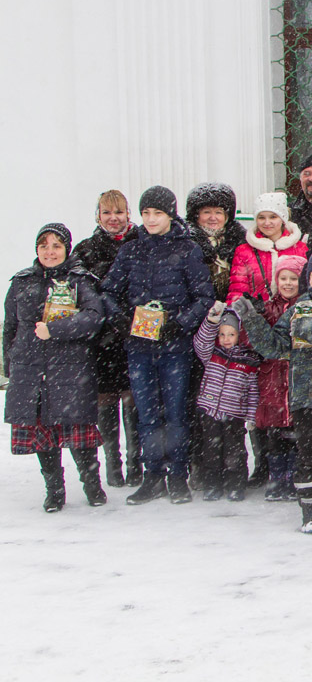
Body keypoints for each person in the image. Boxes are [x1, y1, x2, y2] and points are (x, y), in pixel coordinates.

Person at [101, 186, 215, 505]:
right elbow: (108, 291)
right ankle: (153, 475)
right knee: (147, 414)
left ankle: (178, 476)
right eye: (146, 213)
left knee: (176, 412)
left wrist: (177, 324)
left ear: (170, 215)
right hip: (139, 346)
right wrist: (122, 321)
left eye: (158, 214)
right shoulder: (131, 250)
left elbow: (204, 297)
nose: (151, 220)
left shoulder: (187, 249)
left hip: (175, 347)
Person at [234, 249, 312, 533]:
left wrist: (306, 327)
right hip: (302, 397)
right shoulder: (298, 306)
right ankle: (310, 512)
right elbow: (275, 346)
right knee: (308, 457)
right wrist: (252, 319)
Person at [4, 224, 106, 511]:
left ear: (67, 249)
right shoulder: (22, 281)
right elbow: (10, 328)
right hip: (31, 370)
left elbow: (93, 317)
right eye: (44, 245)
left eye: (56, 246)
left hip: (71, 370)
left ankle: (92, 486)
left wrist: (55, 329)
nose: (50, 251)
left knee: (79, 436)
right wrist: (12, 365)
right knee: (43, 436)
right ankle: (54, 490)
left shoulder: (79, 280)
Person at [71, 190, 141, 487]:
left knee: (135, 402)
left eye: (119, 212)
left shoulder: (140, 243)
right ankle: (113, 464)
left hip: (135, 334)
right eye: (107, 213)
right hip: (101, 341)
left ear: (128, 214)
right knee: (105, 403)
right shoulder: (85, 249)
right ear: (98, 216)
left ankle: (137, 463)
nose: (113, 218)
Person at [192, 303, 261, 502]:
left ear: (239, 335)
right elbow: (200, 342)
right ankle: (212, 484)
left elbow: (252, 392)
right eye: (222, 335)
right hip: (211, 411)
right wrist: (211, 320)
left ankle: (235, 485)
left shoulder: (248, 360)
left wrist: (250, 416)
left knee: (235, 452)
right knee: (211, 451)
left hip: (235, 414)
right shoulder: (212, 354)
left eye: (230, 334)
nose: (226, 339)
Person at [256, 255, 306, 502]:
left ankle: (294, 476)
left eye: (293, 278)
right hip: (273, 378)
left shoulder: (306, 306)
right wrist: (254, 317)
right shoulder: (268, 307)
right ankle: (277, 478)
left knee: (297, 432)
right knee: (274, 433)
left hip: (297, 376)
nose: (287, 283)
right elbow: (257, 341)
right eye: (283, 278)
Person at [227, 192, 308, 304]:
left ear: (283, 218)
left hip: (292, 314)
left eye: (273, 217)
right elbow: (237, 290)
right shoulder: (244, 251)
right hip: (256, 315)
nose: (267, 222)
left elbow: (306, 288)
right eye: (261, 217)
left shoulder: (300, 249)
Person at [185, 183, 246, 303]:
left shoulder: (240, 242)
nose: (213, 218)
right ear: (196, 215)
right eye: (207, 212)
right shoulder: (186, 243)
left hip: (232, 309)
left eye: (218, 212)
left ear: (227, 216)